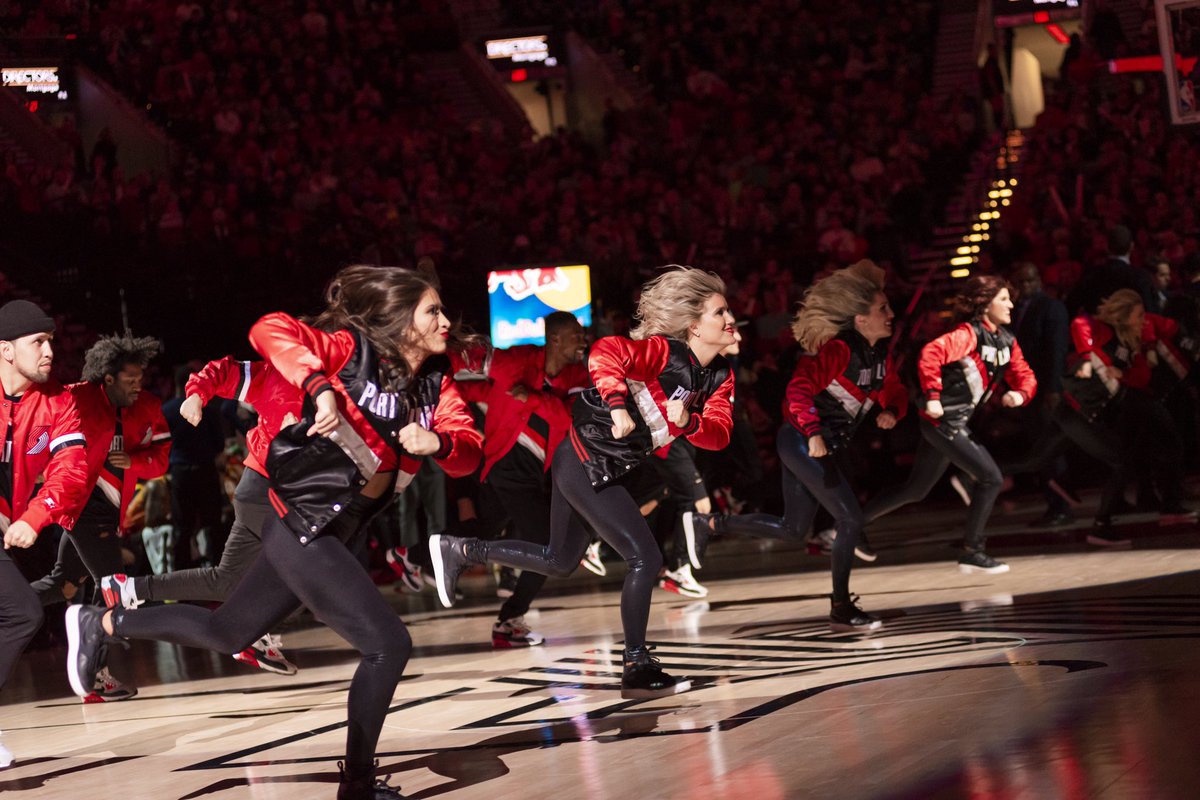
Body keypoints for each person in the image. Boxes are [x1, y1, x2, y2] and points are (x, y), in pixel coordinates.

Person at [65, 265, 483, 799]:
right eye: (432, 311)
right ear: (398, 320)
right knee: (388, 644)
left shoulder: (433, 385)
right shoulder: (349, 351)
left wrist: (440, 445)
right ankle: (356, 784)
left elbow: (467, 449)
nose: (445, 320)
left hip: (328, 529)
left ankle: (106, 623)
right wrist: (319, 388)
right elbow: (269, 329)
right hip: (306, 527)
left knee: (227, 632)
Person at [429, 266, 736, 700]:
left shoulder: (720, 377)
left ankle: (462, 549)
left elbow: (720, 434)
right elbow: (607, 353)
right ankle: (636, 663)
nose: (730, 320)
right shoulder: (663, 352)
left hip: (599, 467)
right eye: (720, 312)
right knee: (644, 558)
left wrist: (691, 422)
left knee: (559, 560)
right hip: (585, 461)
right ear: (693, 326)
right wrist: (616, 404)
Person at [683, 260, 906, 630]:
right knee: (849, 518)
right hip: (801, 440)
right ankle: (840, 607)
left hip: (816, 444)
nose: (891, 313)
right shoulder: (840, 350)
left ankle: (711, 523)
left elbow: (894, 389)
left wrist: (893, 411)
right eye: (883, 309)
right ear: (861, 320)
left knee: (792, 529)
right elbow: (798, 388)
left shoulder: (879, 355)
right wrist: (814, 431)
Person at [101, 354, 304, 675]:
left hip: (225, 483)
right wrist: (198, 397)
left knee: (224, 577)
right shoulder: (283, 378)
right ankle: (253, 630)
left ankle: (131, 589)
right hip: (255, 487)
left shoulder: (169, 411)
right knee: (304, 574)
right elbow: (222, 383)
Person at [411, 311, 589, 647]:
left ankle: (411, 554)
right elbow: (464, 360)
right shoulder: (516, 359)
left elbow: (571, 419)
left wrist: (533, 399)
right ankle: (509, 620)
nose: (583, 341)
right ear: (554, 339)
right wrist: (420, 354)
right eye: (576, 335)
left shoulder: (579, 374)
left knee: (484, 527)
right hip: (505, 462)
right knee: (547, 544)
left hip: (535, 470)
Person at [863, 275, 1037, 574]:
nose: (1011, 304)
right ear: (984, 304)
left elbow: (1026, 375)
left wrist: (1020, 395)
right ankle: (973, 549)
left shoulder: (1006, 340)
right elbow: (930, 354)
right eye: (1004, 299)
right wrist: (932, 394)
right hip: (944, 422)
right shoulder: (967, 334)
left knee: (916, 490)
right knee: (991, 478)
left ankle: (849, 523)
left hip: (951, 423)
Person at [30, 333, 170, 702]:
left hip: (110, 512)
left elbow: (161, 458)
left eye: (141, 377)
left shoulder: (150, 405)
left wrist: (137, 461)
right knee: (115, 588)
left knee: (65, 585)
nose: (138, 385)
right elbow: (37, 435)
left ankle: (8, 606)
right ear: (107, 379)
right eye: (130, 379)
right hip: (81, 505)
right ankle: (97, 676)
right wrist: (37, 464)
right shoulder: (75, 397)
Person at [0, 300, 89, 767]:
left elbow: (71, 470)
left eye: (51, 339)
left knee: (22, 613)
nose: (50, 349)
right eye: (38, 341)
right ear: (6, 350)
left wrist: (35, 517)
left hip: (10, 524)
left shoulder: (59, 401)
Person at [1072, 289, 1194, 522]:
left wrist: (1130, 367)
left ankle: (1117, 509)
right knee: (1165, 444)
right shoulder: (1106, 330)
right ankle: (1169, 506)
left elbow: (1141, 377)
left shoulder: (1136, 332)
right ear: (1124, 314)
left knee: (1133, 453)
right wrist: (1087, 357)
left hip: (1134, 396)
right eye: (1139, 315)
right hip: (1123, 400)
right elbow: (1080, 323)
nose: (1143, 319)